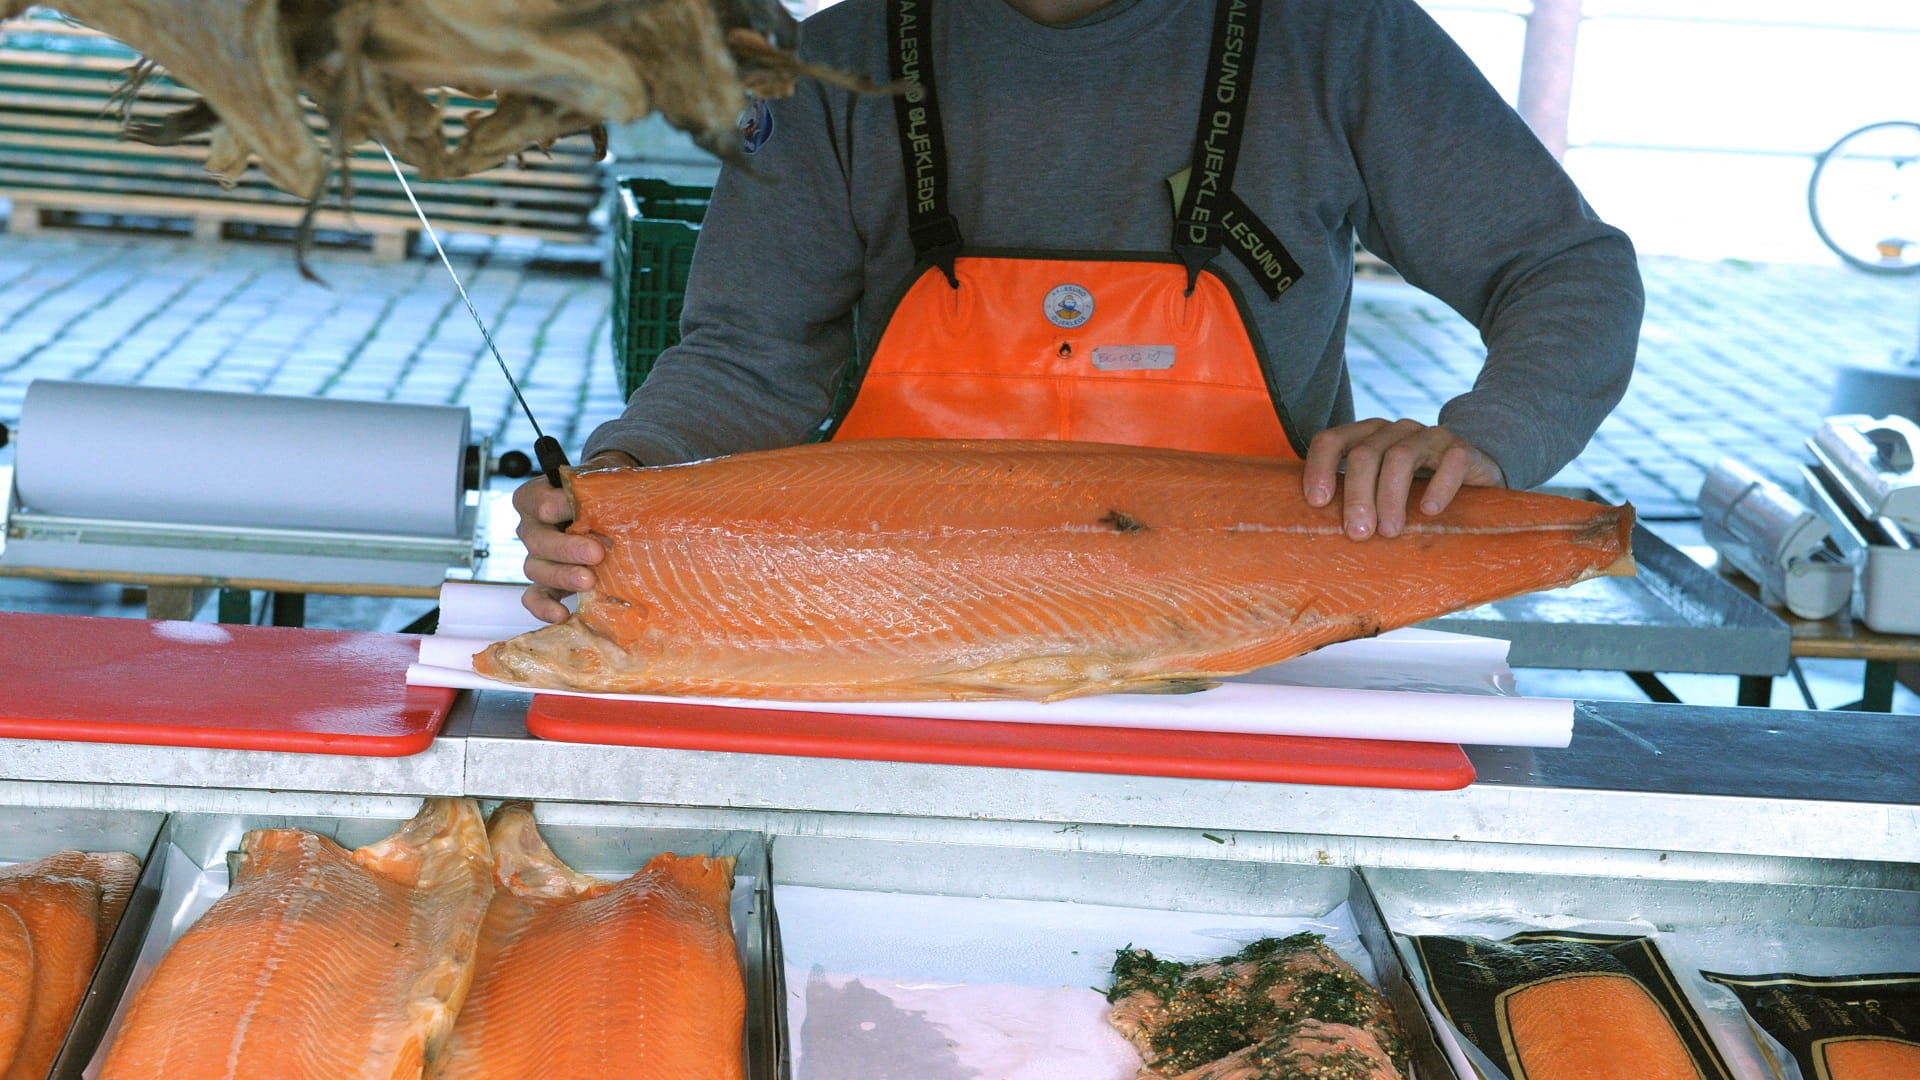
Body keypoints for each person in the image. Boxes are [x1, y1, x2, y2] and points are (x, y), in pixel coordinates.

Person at [516, 0, 1643, 622]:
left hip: (1260, 637)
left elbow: (1565, 269)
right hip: (891, 630)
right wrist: (620, 487)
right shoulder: (834, 65)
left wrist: (1484, 438)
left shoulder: (1340, 37)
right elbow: (749, 361)